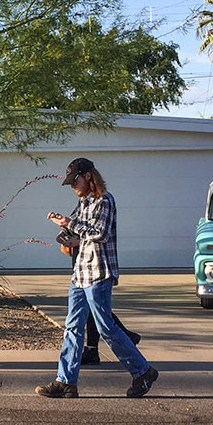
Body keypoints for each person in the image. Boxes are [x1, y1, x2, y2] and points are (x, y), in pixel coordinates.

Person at [37, 158, 159, 399]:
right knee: (72, 327)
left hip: (98, 273)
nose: (74, 186)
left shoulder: (105, 201)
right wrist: (65, 233)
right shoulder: (82, 203)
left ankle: (143, 371)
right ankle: (66, 381)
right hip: (80, 274)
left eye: (76, 181)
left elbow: (100, 233)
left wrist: (70, 223)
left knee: (105, 327)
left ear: (88, 177)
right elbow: (77, 231)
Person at [57, 221, 142, 365]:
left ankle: (132, 354)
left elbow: (100, 236)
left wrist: (78, 241)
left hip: (93, 266)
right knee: (93, 310)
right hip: (80, 264)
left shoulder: (101, 206)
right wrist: (64, 232)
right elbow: (64, 234)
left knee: (97, 311)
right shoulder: (80, 211)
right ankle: (94, 350)